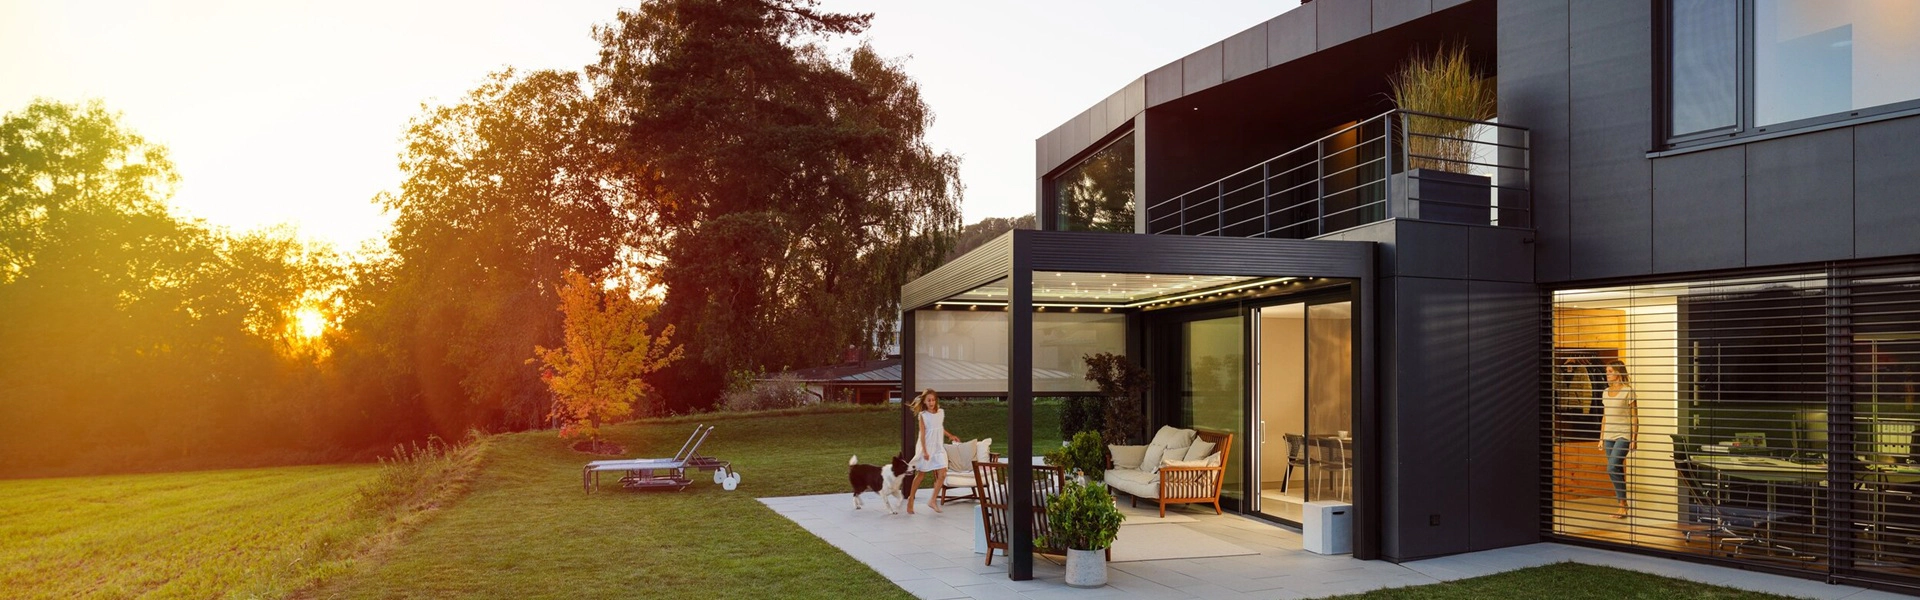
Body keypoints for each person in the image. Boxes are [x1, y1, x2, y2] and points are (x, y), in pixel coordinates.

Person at [906, 388, 961, 514]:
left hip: (938, 447)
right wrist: (924, 451)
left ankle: (932, 500)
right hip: (926, 447)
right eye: (929, 400)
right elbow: (922, 434)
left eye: (933, 400)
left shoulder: (941, 412)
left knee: (943, 473)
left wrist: (950, 436)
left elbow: (939, 428)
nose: (931, 402)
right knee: (921, 475)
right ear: (924, 402)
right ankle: (911, 499)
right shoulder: (923, 416)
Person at [1599, 359, 1638, 519]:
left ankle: (1622, 504)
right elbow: (1605, 417)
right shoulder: (1605, 392)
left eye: (1610, 372)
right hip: (1608, 435)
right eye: (1607, 372)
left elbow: (1635, 417)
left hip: (1623, 435)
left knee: (1612, 467)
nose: (1607, 375)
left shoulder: (1628, 391)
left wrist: (1634, 438)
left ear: (1618, 373)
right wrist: (1601, 437)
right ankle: (1623, 505)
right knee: (1616, 469)